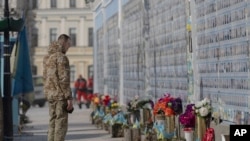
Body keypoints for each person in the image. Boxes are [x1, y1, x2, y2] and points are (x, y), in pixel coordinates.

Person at [43, 34, 73, 141]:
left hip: (50, 95)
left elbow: (45, 78)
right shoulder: (61, 57)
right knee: (60, 124)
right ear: (64, 43)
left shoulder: (47, 58)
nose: (69, 47)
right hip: (60, 96)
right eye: (69, 44)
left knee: (52, 122)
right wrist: (69, 98)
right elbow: (64, 79)